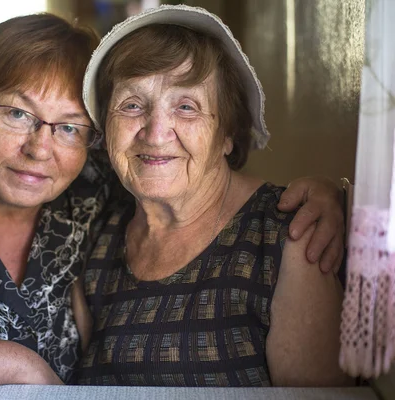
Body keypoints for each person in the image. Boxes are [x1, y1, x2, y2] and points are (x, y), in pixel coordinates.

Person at [0, 12, 344, 400]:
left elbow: (181, 171)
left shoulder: (96, 189)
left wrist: (328, 193)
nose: (40, 147)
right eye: (15, 113)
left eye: (68, 127)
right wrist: (22, 368)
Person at [76, 5, 352, 387]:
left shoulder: (288, 237)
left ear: (227, 134)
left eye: (186, 107)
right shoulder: (97, 233)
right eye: (132, 105)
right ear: (105, 128)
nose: (155, 133)